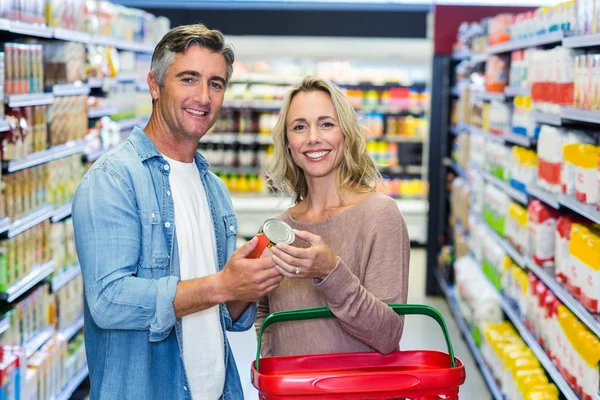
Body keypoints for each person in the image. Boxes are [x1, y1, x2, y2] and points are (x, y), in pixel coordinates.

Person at [72, 24, 282, 400]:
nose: (203, 96)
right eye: (189, 79)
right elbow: (108, 301)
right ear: (155, 86)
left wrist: (247, 282)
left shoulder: (213, 188)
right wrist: (222, 285)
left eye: (216, 84)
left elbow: (218, 314)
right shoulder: (113, 179)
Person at [255, 76, 410, 358]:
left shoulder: (379, 215)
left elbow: (388, 335)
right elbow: (264, 316)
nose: (313, 137)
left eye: (326, 124)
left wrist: (331, 272)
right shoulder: (280, 229)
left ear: (346, 134)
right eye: (300, 127)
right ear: (288, 143)